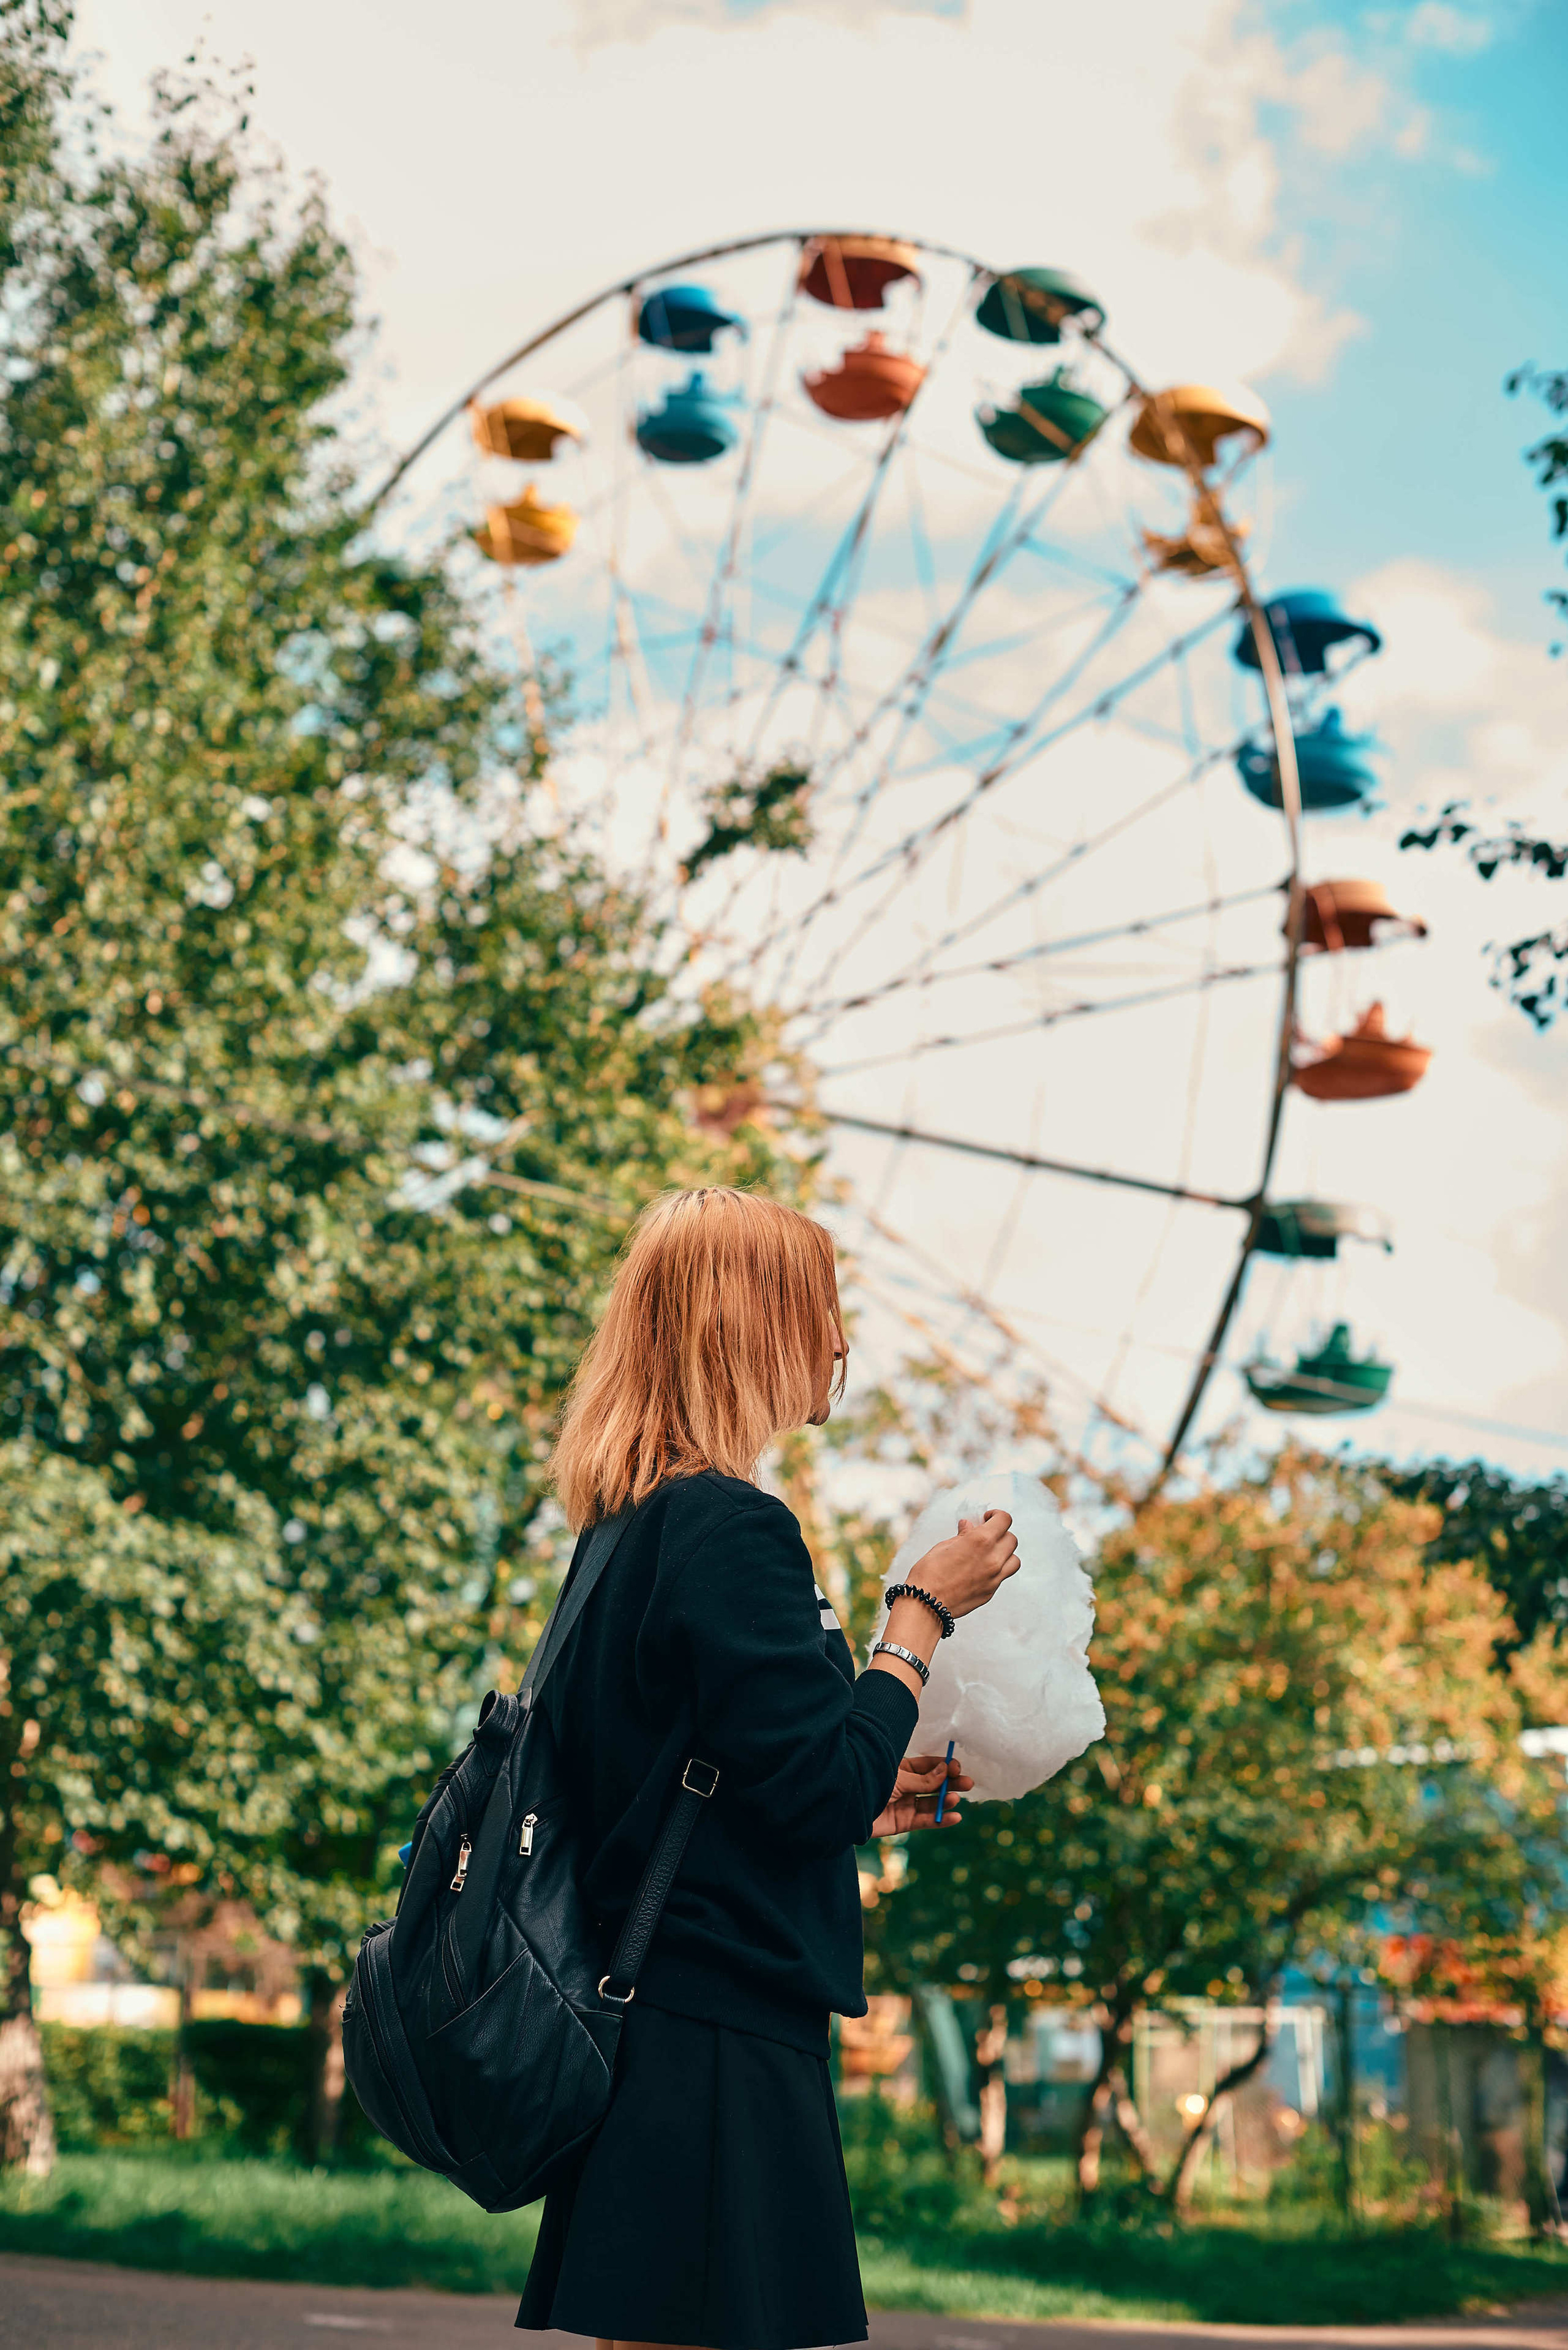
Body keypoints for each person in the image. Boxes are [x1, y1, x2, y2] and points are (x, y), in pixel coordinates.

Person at [516, 1187, 1019, 2350]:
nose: (843, 1342)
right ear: (749, 1324)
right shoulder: (732, 1527)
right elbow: (815, 1791)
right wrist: (924, 1609)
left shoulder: (624, 1528)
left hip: (645, 2019)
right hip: (715, 2032)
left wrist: (866, 1785)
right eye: (822, 1308)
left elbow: (718, 1780)